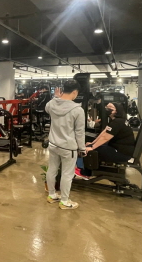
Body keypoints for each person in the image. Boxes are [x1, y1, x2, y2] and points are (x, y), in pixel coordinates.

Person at [45, 80, 86, 210]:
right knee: (67, 174)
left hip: (53, 144)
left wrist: (56, 98)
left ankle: (52, 195)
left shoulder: (52, 104)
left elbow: (47, 108)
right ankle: (64, 201)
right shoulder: (78, 110)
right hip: (68, 147)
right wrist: (82, 148)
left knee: (52, 169)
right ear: (74, 92)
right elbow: (79, 132)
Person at [77, 102, 135, 178]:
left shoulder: (117, 122)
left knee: (88, 151)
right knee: (89, 147)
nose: (107, 109)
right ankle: (87, 169)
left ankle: (84, 172)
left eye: (110, 108)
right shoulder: (116, 120)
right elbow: (104, 133)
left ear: (117, 111)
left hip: (122, 153)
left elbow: (106, 137)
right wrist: (92, 143)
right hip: (119, 149)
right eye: (107, 107)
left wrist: (92, 147)